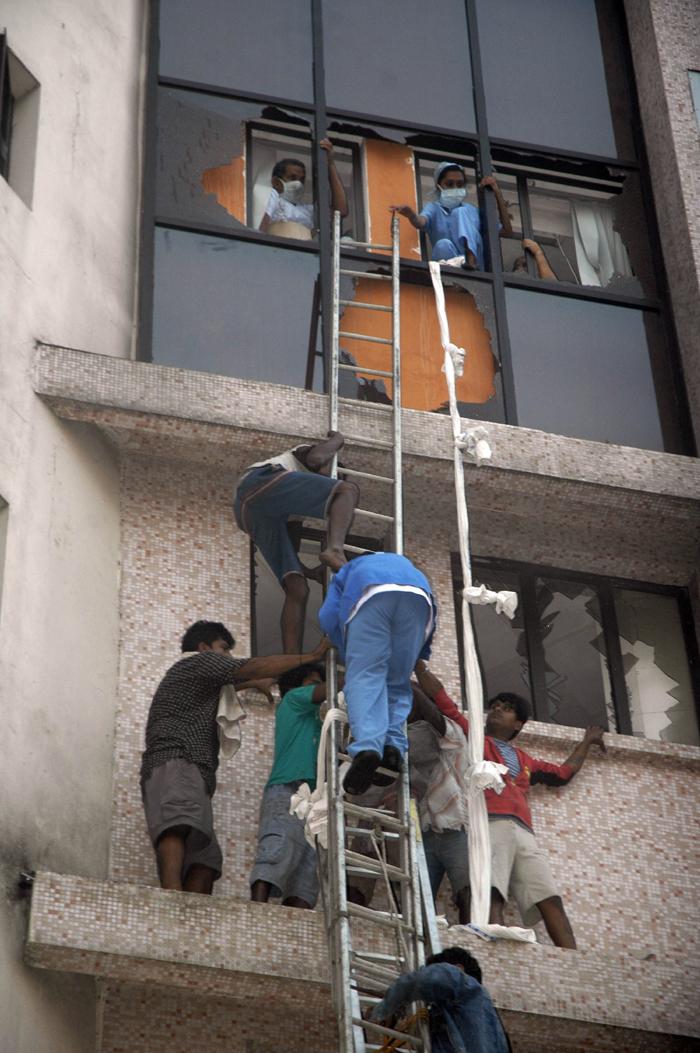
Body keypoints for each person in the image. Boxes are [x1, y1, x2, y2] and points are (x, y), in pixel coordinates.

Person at [414, 662, 606, 949]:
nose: (497, 710)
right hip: (489, 824)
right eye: (495, 706)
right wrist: (419, 668)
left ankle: (572, 958)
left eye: (506, 708)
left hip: (524, 833)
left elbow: (563, 773)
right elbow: (444, 703)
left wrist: (587, 741)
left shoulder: (526, 760)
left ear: (519, 724)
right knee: (491, 891)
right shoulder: (475, 738)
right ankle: (491, 947)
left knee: (549, 897)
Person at [140, 619, 330, 895]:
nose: (229, 656)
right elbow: (248, 667)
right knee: (178, 824)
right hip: (177, 759)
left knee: (206, 860)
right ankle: (171, 898)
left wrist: (253, 682)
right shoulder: (197, 663)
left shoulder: (199, 679)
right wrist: (311, 656)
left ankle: (190, 917)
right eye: (224, 649)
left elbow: (232, 684)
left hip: (192, 770)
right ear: (204, 648)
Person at [347, 683, 472, 925]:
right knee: (364, 880)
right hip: (409, 823)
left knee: (462, 889)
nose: (400, 707)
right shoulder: (385, 732)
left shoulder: (437, 734)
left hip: (450, 826)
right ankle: (354, 929)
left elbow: (438, 721)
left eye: (406, 702)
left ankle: (472, 936)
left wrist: (407, 683)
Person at [319, 552, 437, 795]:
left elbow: (328, 616)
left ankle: (368, 749)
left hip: (373, 594)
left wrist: (344, 648)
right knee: (396, 683)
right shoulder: (406, 565)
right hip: (420, 598)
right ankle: (392, 747)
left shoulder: (352, 569)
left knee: (364, 675)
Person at [234, 430, 359, 653]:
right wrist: (338, 439)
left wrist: (309, 572)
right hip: (258, 482)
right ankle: (336, 550)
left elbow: (291, 551)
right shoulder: (302, 455)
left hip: (253, 514)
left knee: (297, 587)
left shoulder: (296, 503)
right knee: (348, 491)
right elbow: (316, 459)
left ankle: (292, 662)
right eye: (334, 477)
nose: (329, 483)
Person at [250, 662, 328, 910]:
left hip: (316, 801)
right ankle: (256, 913)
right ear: (295, 687)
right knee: (277, 849)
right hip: (289, 790)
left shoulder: (320, 722)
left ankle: (296, 927)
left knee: (308, 871)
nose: (319, 688)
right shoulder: (293, 700)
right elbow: (331, 690)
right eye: (312, 683)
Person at [371, 945, 510, 1053]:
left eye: (435, 968)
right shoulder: (489, 1025)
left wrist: (385, 1010)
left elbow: (424, 979)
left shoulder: (464, 984)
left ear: (458, 968)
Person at [391, 162, 512, 271]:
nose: (455, 188)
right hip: (450, 265)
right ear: (438, 189)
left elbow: (506, 232)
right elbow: (421, 222)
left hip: (477, 268)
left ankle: (471, 261)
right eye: (449, 184)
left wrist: (497, 193)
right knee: (442, 244)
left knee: (461, 212)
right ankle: (453, 277)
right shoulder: (434, 208)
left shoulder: (471, 210)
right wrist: (412, 216)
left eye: (459, 184)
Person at [258, 139, 348, 240]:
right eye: (292, 178)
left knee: (346, 241)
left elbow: (340, 211)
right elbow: (262, 227)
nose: (298, 184)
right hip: (279, 250)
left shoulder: (306, 210)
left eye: (302, 180)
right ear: (276, 182)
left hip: (305, 253)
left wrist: (330, 164)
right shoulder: (273, 196)